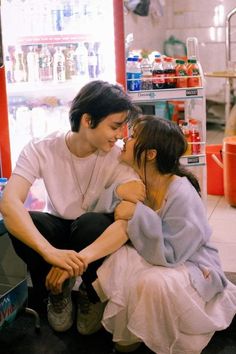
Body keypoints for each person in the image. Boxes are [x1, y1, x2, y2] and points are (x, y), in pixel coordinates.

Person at [47, 116, 236, 353]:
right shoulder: (136, 180)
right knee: (119, 260)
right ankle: (126, 340)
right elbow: (102, 211)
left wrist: (137, 214)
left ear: (150, 154)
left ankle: (158, 341)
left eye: (134, 135)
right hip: (155, 257)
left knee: (150, 282)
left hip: (192, 266)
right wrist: (118, 194)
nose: (125, 138)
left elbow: (172, 255)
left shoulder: (182, 195)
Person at [0, 80, 146, 335]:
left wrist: (75, 260)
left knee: (93, 222)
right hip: (57, 231)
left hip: (91, 235)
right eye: (114, 126)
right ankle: (57, 293)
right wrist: (50, 253)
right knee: (30, 221)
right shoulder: (41, 148)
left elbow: (129, 219)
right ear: (88, 120)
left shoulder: (118, 156)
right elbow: (9, 202)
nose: (120, 135)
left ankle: (90, 291)